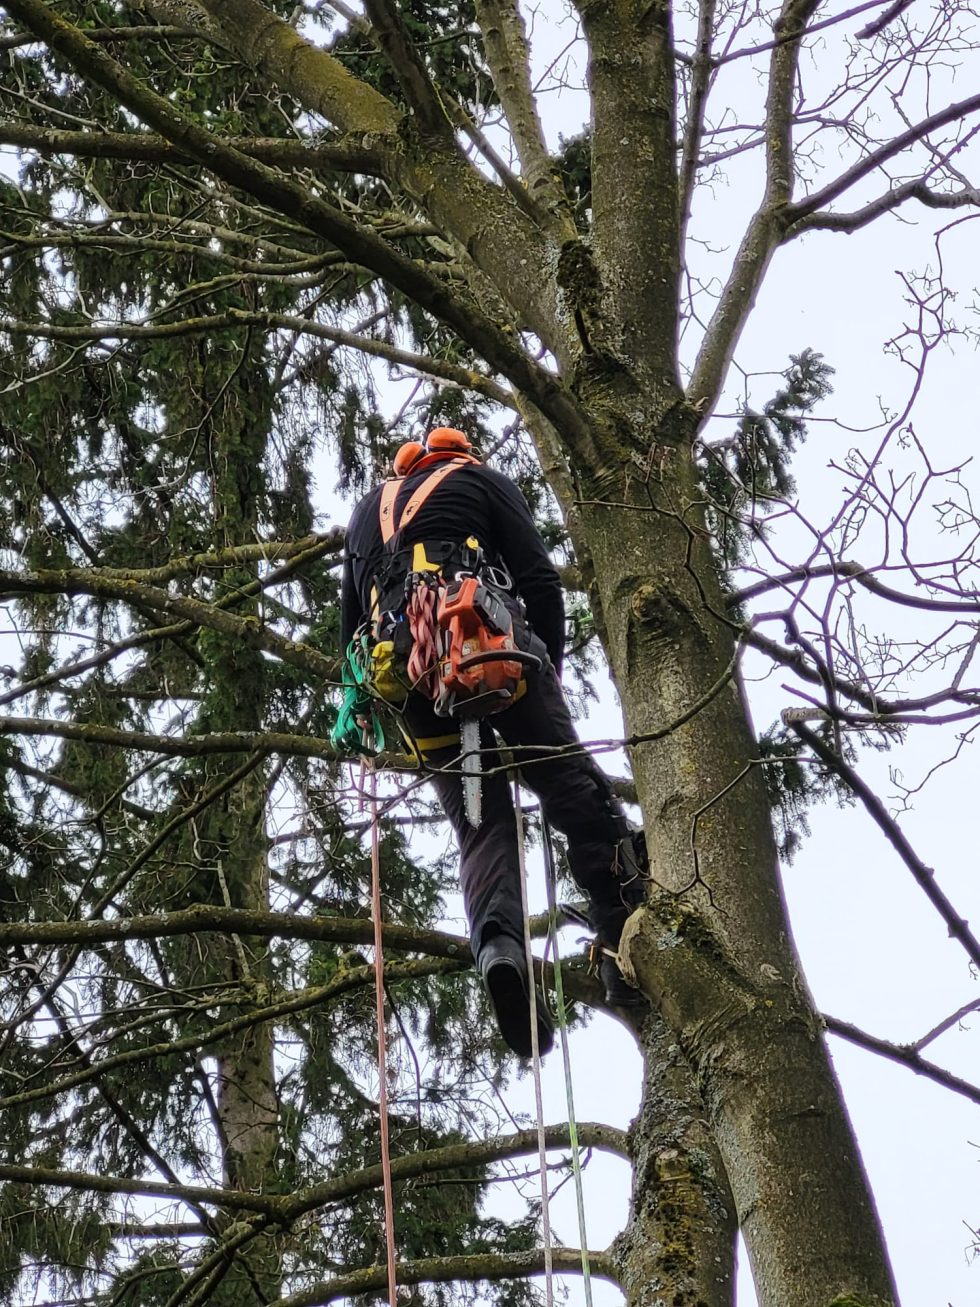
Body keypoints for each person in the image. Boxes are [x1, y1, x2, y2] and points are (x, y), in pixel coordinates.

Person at [339, 427, 645, 1058]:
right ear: (458, 454)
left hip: (408, 676)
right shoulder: (479, 479)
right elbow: (539, 579)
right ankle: (624, 937)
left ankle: (499, 947)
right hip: (490, 651)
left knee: (480, 822)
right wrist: (546, 674)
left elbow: (349, 635)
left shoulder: (366, 513)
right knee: (571, 788)